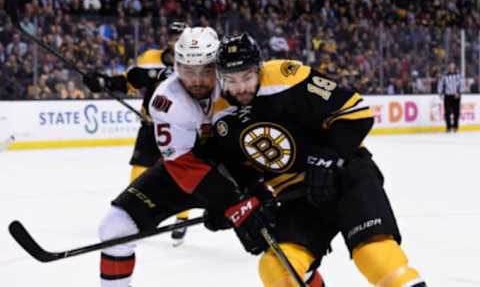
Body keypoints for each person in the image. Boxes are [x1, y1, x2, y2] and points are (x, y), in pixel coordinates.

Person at [203, 33, 427, 287]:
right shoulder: (218, 113)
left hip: (346, 175)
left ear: (259, 68)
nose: (240, 87)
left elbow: (356, 113)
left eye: (247, 77)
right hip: (296, 196)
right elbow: (240, 170)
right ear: (220, 77)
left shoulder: (287, 78)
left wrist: (329, 158)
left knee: (375, 255)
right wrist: (231, 206)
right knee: (277, 268)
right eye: (231, 80)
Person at [94, 26, 246, 287]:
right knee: (115, 227)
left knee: (279, 238)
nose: (197, 79)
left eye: (205, 70)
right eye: (188, 70)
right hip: (187, 169)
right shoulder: (166, 99)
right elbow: (183, 166)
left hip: (240, 170)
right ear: (176, 66)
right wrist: (226, 201)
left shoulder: (239, 84)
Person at [84, 22, 194, 245]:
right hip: (150, 125)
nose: (175, 40)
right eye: (172, 36)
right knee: (140, 169)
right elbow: (129, 81)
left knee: (182, 170)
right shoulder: (150, 59)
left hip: (181, 128)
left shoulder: (195, 64)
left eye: (180, 36)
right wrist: (105, 82)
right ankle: (135, 212)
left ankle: (181, 218)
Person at [437, 62, 464, 132]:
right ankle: (448, 127)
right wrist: (440, 93)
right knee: (447, 112)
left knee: (456, 112)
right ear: (448, 68)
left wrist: (459, 92)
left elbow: (461, 84)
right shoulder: (445, 76)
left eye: (453, 67)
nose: (451, 68)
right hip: (447, 95)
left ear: (454, 67)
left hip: (456, 95)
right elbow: (440, 84)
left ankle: (455, 126)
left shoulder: (458, 75)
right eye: (450, 67)